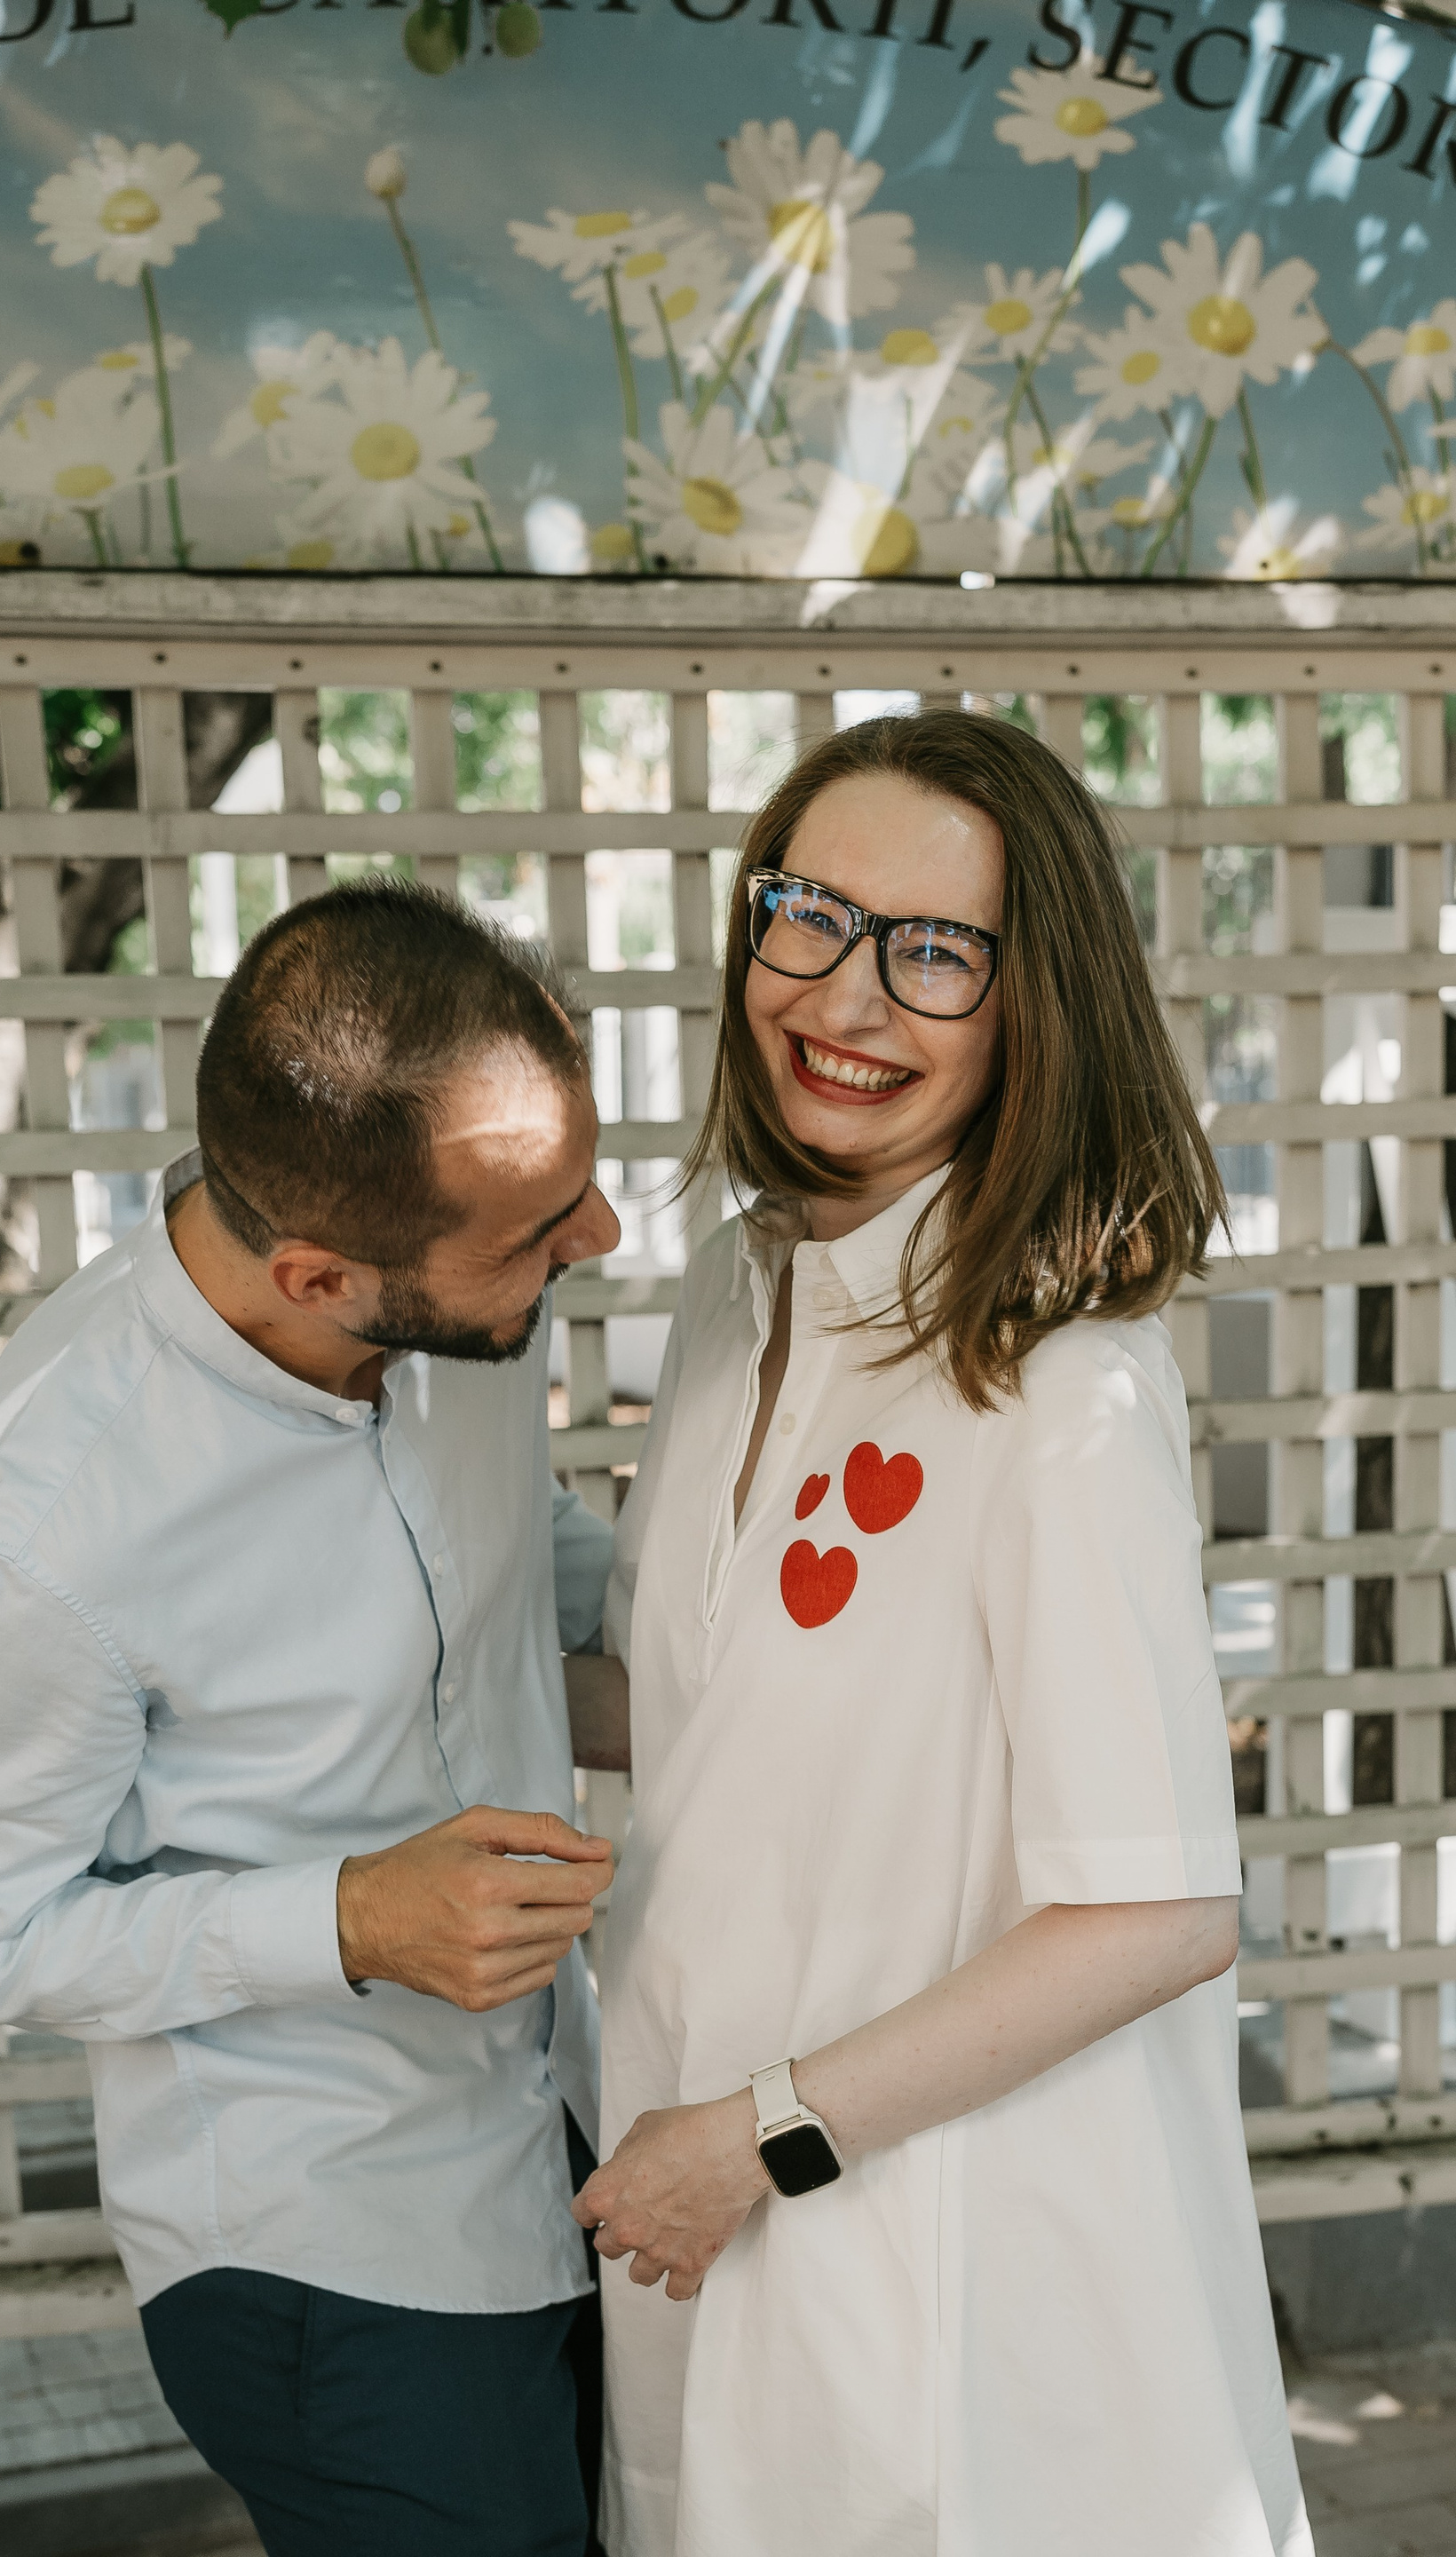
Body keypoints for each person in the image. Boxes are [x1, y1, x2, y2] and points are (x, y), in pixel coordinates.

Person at [575, 710, 1311, 2557]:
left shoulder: (1064, 1387)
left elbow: (1157, 1909)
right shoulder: (736, 1293)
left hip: (952, 2247)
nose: (847, 996)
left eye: (935, 952)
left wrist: (761, 2134)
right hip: (702, 2201)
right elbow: (700, 1704)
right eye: (810, 915)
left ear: (1033, 1003)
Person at [0, 881, 633, 2557]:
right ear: (319, 1273)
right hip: (330, 2264)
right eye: (539, 1231)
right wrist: (346, 1920)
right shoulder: (50, 1533)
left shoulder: (451, 1284)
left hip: (569, 2138)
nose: (596, 1238)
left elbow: (519, 1555)